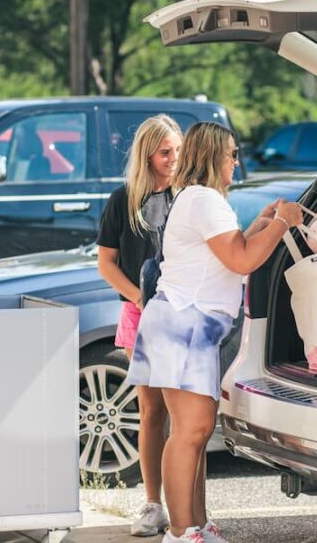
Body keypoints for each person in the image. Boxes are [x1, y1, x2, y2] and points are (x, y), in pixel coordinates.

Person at [126, 122, 303, 543]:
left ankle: (196, 527)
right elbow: (242, 261)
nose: (236, 162)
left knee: (197, 433)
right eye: (231, 154)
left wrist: (261, 223)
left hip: (183, 322)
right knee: (189, 433)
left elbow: (229, 252)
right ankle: (182, 532)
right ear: (211, 156)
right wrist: (282, 222)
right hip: (185, 322)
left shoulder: (197, 199)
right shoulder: (204, 200)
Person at [97, 114, 183, 536]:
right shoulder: (123, 199)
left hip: (184, 316)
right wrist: (137, 297)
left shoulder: (188, 197)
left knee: (186, 418)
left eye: (178, 151)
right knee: (152, 412)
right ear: (147, 154)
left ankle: (189, 510)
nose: (173, 159)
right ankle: (153, 506)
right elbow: (105, 264)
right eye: (165, 152)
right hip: (140, 315)